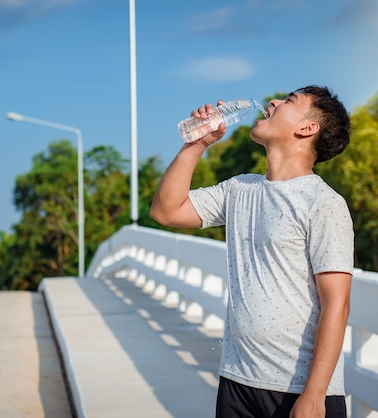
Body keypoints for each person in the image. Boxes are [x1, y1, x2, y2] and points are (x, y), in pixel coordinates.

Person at [150, 85, 354, 418]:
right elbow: (166, 210)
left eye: (288, 101)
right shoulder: (240, 188)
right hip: (238, 378)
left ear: (307, 128)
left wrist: (314, 395)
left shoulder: (323, 203)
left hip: (297, 389)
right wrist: (196, 144)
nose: (272, 102)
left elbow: (337, 304)